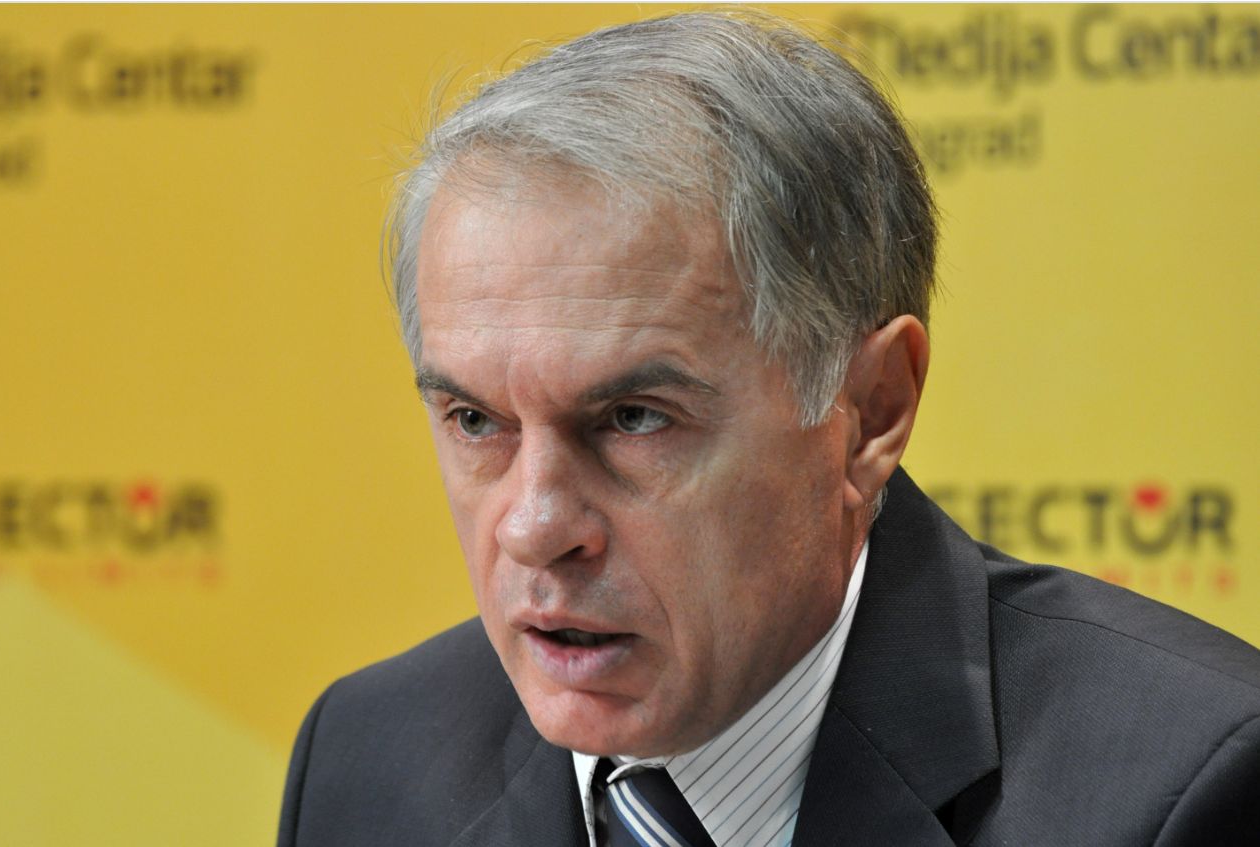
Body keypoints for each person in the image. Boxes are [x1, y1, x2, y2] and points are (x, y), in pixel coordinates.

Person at [278, 11, 1260, 846]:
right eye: (473, 420)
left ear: (870, 410)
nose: (535, 527)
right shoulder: (367, 759)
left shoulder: (1183, 790)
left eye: (631, 419)